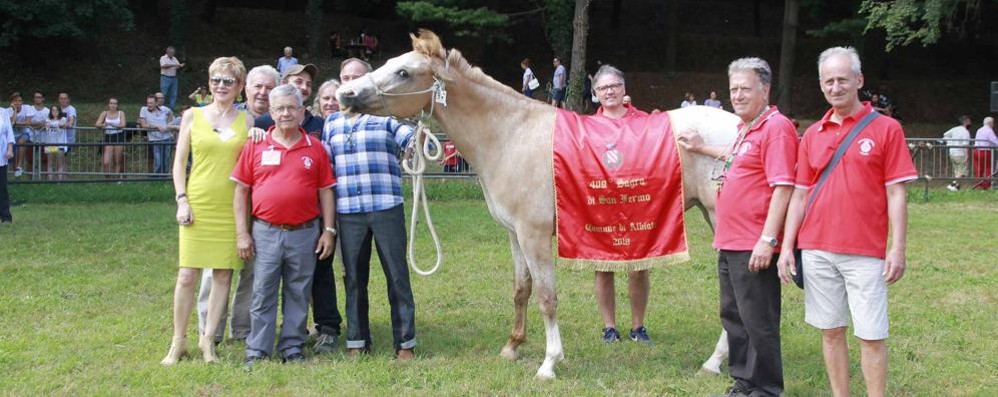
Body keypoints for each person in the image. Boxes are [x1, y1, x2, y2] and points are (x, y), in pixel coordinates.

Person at [776, 46, 917, 397]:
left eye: (842, 79)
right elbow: (799, 195)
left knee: (871, 334)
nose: (835, 87)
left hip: (865, 251)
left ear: (859, 80)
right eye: (828, 81)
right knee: (831, 331)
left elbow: (897, 193)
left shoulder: (887, 129)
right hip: (817, 249)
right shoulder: (812, 134)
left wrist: (897, 249)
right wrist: (788, 247)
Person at [678, 58, 796, 397]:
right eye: (733, 89)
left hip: (753, 241)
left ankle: (766, 388)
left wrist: (768, 240)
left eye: (745, 88)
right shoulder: (748, 129)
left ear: (765, 89)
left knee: (758, 318)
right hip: (730, 240)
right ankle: (744, 380)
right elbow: (736, 157)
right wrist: (700, 147)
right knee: (735, 315)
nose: (738, 96)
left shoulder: (776, 128)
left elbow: (783, 186)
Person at [234, 83, 336, 366]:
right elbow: (241, 190)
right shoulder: (256, 145)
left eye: (292, 107)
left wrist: (328, 230)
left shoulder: (315, 148)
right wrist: (242, 233)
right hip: (265, 231)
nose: (286, 113)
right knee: (263, 292)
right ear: (271, 112)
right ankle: (257, 350)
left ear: (303, 111)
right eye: (280, 108)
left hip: (305, 232)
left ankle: (292, 347)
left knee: (299, 292)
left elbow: (326, 190)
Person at [322, 57, 417, 360]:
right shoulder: (331, 124)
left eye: (357, 76)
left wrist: (419, 139)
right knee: (353, 278)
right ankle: (356, 341)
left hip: (386, 207)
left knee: (397, 276)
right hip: (349, 212)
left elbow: (411, 141)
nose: (350, 81)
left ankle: (405, 343)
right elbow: (326, 169)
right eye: (345, 76)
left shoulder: (385, 117)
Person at [161, 56, 251, 366]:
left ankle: (208, 340)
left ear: (240, 87)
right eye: (216, 79)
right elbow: (178, 163)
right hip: (198, 201)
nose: (221, 86)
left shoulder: (247, 121)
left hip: (231, 207)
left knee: (223, 275)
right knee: (187, 275)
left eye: (228, 81)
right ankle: (178, 340)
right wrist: (181, 199)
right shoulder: (191, 116)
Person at [195, 65, 279, 344]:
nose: (263, 92)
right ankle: (210, 330)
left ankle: (242, 329)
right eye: (258, 86)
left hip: (262, 207)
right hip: (223, 203)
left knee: (253, 271)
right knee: (214, 267)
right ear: (246, 87)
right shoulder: (232, 116)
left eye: (269, 87)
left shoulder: (278, 119)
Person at [588, 65, 653, 344]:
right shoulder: (587, 127)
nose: (609, 91)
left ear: (624, 88)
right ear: (595, 94)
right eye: (603, 88)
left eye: (614, 85)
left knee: (639, 268)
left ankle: (638, 327)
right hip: (602, 206)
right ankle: (609, 327)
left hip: (637, 204)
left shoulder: (647, 122)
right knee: (604, 267)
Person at [255, 63, 324, 137]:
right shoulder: (263, 122)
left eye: (308, 84)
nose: (304, 87)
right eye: (298, 82)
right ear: (283, 84)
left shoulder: (319, 124)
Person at [139, 94, 175, 175]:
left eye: (151, 103)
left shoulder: (164, 109)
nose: (149, 105)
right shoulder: (144, 110)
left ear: (156, 103)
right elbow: (144, 125)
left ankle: (164, 177)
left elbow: (170, 113)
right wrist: (156, 127)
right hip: (154, 139)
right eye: (148, 103)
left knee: (166, 160)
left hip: (167, 137)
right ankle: (156, 178)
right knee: (158, 160)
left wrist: (168, 124)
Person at [96, 98, 127, 177]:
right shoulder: (104, 113)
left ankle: (116, 179)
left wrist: (115, 125)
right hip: (108, 136)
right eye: (111, 103)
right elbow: (97, 124)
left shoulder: (121, 113)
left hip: (118, 136)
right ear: (108, 104)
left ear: (117, 105)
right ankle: (107, 177)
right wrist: (104, 125)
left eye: (115, 104)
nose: (113, 105)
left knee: (117, 160)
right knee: (106, 161)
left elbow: (123, 124)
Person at [8, 92, 35, 178]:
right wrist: (15, 110)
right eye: (15, 101)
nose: (17, 103)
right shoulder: (8, 110)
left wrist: (16, 123)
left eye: (19, 100)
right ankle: (15, 174)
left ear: (22, 102)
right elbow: (11, 122)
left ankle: (19, 166)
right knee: (13, 154)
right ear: (12, 102)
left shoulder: (27, 108)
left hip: (24, 132)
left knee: (21, 141)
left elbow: (28, 122)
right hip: (12, 134)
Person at [942, 115, 972, 191]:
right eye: (969, 121)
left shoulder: (955, 129)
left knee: (957, 170)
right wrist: (967, 155)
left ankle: (956, 186)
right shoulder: (965, 132)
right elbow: (965, 144)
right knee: (962, 171)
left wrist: (949, 142)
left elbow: (945, 135)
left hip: (952, 152)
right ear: (966, 122)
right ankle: (953, 185)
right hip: (960, 153)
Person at [42, 105, 68, 180]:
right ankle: (50, 180)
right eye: (53, 110)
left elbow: (62, 124)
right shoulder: (48, 119)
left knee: (60, 164)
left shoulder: (63, 119)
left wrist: (57, 125)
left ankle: (59, 180)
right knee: (50, 163)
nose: (54, 112)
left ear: (59, 111)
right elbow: (47, 126)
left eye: (56, 110)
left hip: (60, 144)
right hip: (50, 144)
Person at [973, 117, 997, 189]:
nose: (993, 125)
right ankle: (986, 185)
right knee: (988, 168)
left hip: (977, 150)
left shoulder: (979, 130)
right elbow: (994, 140)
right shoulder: (989, 130)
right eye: (993, 123)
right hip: (985, 151)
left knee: (978, 168)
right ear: (990, 123)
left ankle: (978, 184)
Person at [160, 46, 185, 110]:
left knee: (173, 94)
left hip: (174, 78)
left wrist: (180, 66)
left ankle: (171, 108)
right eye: (171, 52)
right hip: (165, 77)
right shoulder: (163, 58)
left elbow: (178, 66)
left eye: (173, 53)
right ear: (167, 52)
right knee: (164, 94)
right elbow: (163, 66)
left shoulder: (174, 58)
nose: (172, 54)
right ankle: (161, 108)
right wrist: (174, 65)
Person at [0, 106, 12, 223]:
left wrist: (10, 149)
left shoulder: (4, 112)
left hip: (1, 155)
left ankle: (5, 215)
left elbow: (9, 132)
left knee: (2, 187)